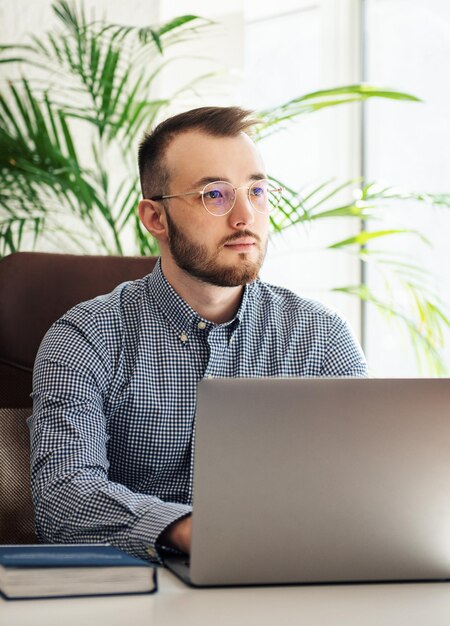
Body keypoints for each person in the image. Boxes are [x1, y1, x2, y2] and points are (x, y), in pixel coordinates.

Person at [30, 106, 367, 562]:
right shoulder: (84, 338)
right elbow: (63, 499)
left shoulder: (320, 338)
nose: (245, 216)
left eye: (257, 190)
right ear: (155, 219)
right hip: (140, 592)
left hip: (287, 579)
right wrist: (195, 533)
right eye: (215, 195)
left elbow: (364, 489)